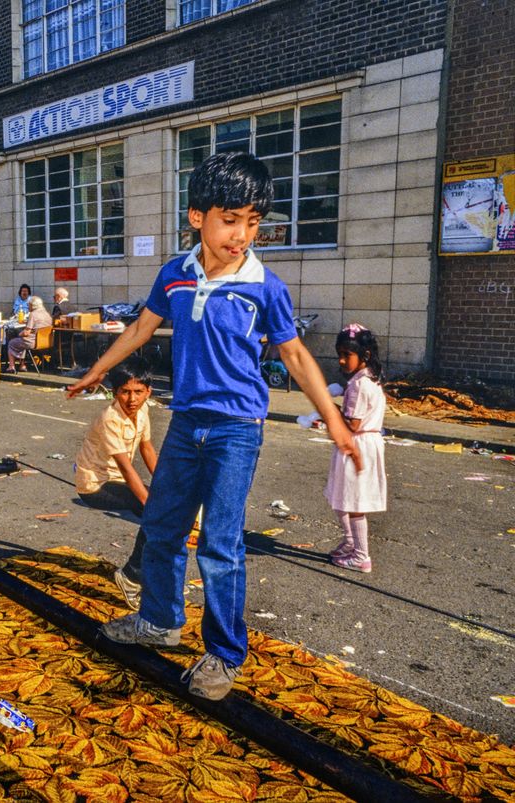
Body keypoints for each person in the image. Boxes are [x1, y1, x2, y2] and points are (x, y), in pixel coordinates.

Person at [67, 152, 359, 701]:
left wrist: (337, 423)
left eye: (254, 222)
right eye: (232, 220)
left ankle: (224, 654)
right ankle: (159, 621)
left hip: (237, 429)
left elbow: (294, 355)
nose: (243, 234)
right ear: (197, 216)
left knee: (220, 545)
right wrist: (97, 372)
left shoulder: (264, 286)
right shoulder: (175, 275)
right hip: (186, 423)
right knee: (161, 526)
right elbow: (140, 330)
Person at [74, 358, 157, 609]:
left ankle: (153, 576)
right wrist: (150, 502)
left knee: (164, 509)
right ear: (114, 392)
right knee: (156, 513)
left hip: (119, 479)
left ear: (148, 392)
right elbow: (125, 465)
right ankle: (132, 576)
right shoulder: (109, 418)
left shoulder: (142, 410)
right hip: (95, 484)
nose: (132, 399)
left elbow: (147, 448)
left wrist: (167, 487)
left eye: (138, 392)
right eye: (125, 392)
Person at [325, 324, 387, 573]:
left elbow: (352, 424)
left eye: (347, 355)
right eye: (339, 354)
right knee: (343, 495)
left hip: (357, 444)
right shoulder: (369, 378)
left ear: (365, 355)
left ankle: (361, 556)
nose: (341, 360)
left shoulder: (359, 385)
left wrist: (329, 410)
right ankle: (350, 541)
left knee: (354, 502)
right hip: (363, 443)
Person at [7, 295, 52, 372]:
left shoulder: (33, 314)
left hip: (32, 342)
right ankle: (22, 366)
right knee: (21, 342)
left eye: (28, 305)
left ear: (32, 305)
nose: (28, 307)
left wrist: (19, 334)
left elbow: (26, 332)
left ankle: (11, 366)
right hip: (45, 341)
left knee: (12, 343)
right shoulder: (47, 314)